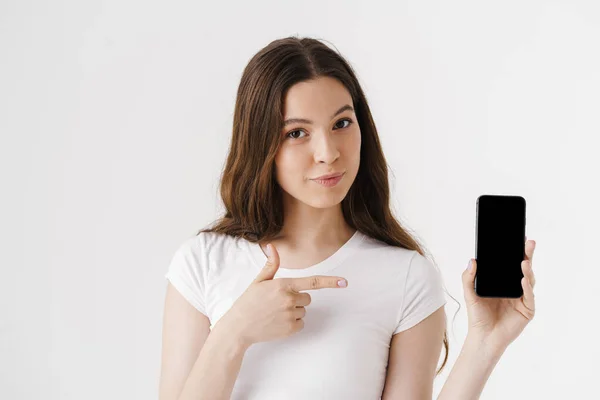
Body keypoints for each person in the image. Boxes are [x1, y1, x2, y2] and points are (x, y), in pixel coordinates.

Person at [159, 36, 537, 400]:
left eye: (341, 124)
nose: (327, 152)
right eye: (296, 132)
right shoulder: (203, 263)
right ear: (260, 144)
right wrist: (233, 332)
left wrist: (484, 345)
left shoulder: (407, 277)